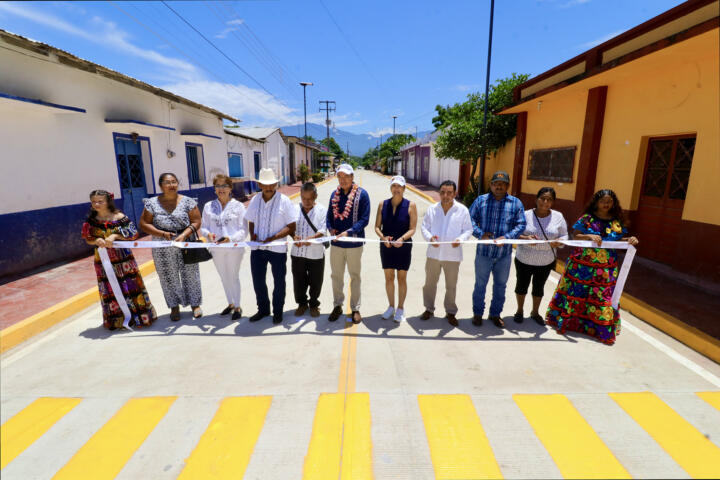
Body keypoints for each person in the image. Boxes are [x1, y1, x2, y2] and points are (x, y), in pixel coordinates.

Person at [546, 189, 639, 345]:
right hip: (581, 266)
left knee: (602, 296)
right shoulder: (587, 219)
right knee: (577, 293)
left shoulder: (616, 221)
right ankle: (569, 323)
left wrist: (629, 239)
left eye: (609, 201)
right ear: (596, 202)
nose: (606, 204)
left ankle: (600, 330)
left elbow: (617, 240)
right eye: (603, 201)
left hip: (605, 269)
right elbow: (575, 235)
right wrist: (588, 236)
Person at [82, 190, 157, 330]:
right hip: (103, 261)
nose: (96, 204)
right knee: (109, 287)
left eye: (100, 201)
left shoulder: (119, 217)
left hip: (123, 259)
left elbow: (133, 234)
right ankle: (117, 319)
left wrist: (115, 236)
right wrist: (96, 241)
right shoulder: (90, 221)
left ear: (108, 202)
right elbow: (87, 238)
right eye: (93, 202)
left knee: (130, 284)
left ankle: (138, 317)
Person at [139, 173, 203, 321]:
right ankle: (174, 307)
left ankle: (195, 305)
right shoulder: (151, 203)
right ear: (161, 185)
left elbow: (196, 221)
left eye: (174, 182)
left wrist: (185, 235)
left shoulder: (188, 201)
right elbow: (144, 224)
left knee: (191, 273)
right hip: (162, 245)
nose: (172, 185)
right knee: (167, 275)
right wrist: (161, 233)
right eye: (167, 182)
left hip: (186, 242)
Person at [469, 171, 526, 328]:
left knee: (500, 286)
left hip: (504, 255)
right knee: (480, 285)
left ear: (507, 185)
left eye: (502, 183)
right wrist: (481, 235)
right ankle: (477, 314)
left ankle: (495, 314)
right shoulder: (481, 201)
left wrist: (507, 237)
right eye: (495, 183)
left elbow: (521, 224)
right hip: (484, 253)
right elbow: (470, 219)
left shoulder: (515, 203)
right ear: (491, 185)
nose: (498, 186)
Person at [245, 168, 296, 324]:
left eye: (271, 184)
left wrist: (273, 237)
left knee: (279, 281)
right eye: (265, 185)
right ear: (259, 184)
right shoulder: (254, 200)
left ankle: (278, 311)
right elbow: (251, 220)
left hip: (277, 249)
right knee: (258, 280)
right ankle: (263, 309)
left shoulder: (284, 201)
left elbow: (291, 226)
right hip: (257, 248)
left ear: (276, 184)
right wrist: (252, 234)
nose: (268, 188)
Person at [419, 180, 473, 326]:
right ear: (439, 193)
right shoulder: (432, 209)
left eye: (449, 192)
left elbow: (468, 229)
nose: (445, 195)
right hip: (433, 254)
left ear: (455, 194)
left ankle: (450, 312)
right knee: (429, 284)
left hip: (452, 255)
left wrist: (460, 239)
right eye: (442, 192)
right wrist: (430, 238)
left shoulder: (462, 210)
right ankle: (428, 309)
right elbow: (424, 227)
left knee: (451, 285)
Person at [513, 187, 568, 325]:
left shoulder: (558, 216)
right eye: (542, 198)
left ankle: (535, 312)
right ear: (536, 199)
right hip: (524, 259)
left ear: (553, 202)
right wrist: (525, 238)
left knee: (539, 288)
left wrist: (560, 242)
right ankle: (519, 311)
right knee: (521, 286)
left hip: (545, 261)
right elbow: (513, 233)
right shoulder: (525, 215)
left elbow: (565, 235)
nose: (545, 201)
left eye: (549, 199)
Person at [326, 163, 371, 323]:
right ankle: (337, 305)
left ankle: (355, 308)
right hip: (337, 244)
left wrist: (349, 232)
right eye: (340, 176)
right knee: (336, 276)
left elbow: (365, 219)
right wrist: (330, 229)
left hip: (354, 244)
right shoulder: (334, 194)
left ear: (352, 177)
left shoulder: (362, 195)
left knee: (355, 276)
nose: (343, 180)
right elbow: (329, 216)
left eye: (346, 176)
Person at [200, 174, 248, 321]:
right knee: (223, 277)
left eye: (224, 186)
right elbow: (203, 227)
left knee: (233, 276)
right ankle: (231, 303)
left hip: (234, 248)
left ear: (230, 188)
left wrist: (231, 238)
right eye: (218, 186)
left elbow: (244, 230)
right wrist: (209, 235)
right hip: (216, 249)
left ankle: (238, 306)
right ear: (214, 189)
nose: (221, 189)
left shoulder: (239, 206)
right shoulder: (208, 206)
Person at [374, 175, 417, 323]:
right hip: (386, 245)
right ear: (391, 188)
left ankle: (400, 308)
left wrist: (402, 239)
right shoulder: (382, 204)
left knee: (401, 278)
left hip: (403, 246)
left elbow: (412, 229)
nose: (396, 189)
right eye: (394, 186)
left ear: (404, 188)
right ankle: (391, 306)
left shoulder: (411, 205)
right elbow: (377, 227)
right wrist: (383, 238)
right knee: (389, 277)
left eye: (399, 186)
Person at [291, 182, 328, 318]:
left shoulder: (322, 210)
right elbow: (290, 227)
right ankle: (302, 304)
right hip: (297, 253)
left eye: (310, 198)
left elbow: (323, 230)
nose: (306, 202)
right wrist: (294, 235)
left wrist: (310, 239)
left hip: (316, 253)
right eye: (303, 198)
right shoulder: (294, 209)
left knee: (316, 281)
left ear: (315, 196)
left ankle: (313, 305)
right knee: (298, 281)